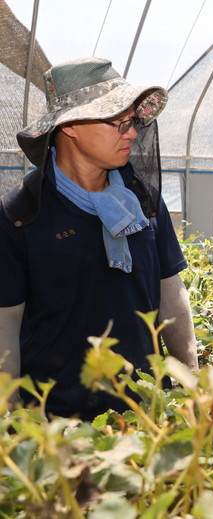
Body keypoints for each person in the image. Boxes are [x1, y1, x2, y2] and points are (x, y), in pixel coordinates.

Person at [0, 57, 198, 419]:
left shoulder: (145, 203)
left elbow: (171, 295)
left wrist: (192, 385)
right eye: (118, 122)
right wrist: (11, 421)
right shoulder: (20, 215)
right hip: (56, 426)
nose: (132, 134)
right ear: (71, 126)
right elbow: (6, 324)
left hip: (147, 418)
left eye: (133, 122)